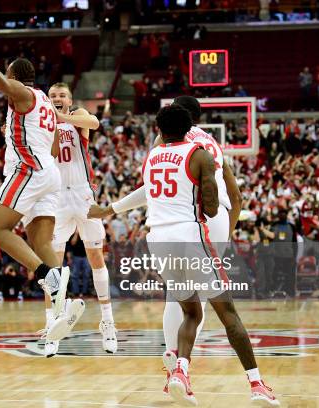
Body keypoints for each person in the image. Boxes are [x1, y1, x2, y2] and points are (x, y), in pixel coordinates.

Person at [90, 105, 278, 406]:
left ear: (159, 129)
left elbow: (149, 193)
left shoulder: (152, 156)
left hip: (158, 240)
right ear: (192, 123)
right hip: (191, 236)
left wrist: (110, 209)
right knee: (227, 313)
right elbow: (215, 205)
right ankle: (257, 385)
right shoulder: (202, 152)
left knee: (189, 311)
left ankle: (179, 371)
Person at [0, 6, 84, 343]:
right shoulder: (43, 100)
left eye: (7, 76)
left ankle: (48, 277)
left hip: (30, 171)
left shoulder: (22, 93)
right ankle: (60, 308)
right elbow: (55, 147)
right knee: (41, 242)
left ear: (13, 76)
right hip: (49, 173)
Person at [45, 82, 117, 357]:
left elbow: (95, 122)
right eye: (52, 96)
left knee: (95, 256)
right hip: (57, 199)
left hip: (83, 195)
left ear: (69, 99)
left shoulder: (78, 119)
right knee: (53, 264)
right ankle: (52, 325)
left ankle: (107, 322)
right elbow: (50, 154)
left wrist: (58, 116)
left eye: (62, 95)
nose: (57, 98)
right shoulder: (45, 125)